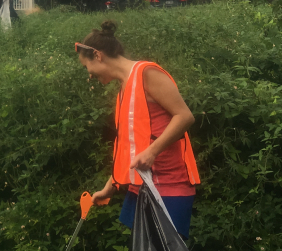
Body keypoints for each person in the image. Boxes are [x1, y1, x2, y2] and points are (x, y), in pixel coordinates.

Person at [77, 20, 200, 239]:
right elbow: (129, 146)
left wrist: (152, 152)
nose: (89, 75)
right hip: (141, 186)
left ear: (97, 55)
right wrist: (109, 188)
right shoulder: (125, 87)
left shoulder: (146, 73)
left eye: (86, 66)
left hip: (169, 187)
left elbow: (184, 116)